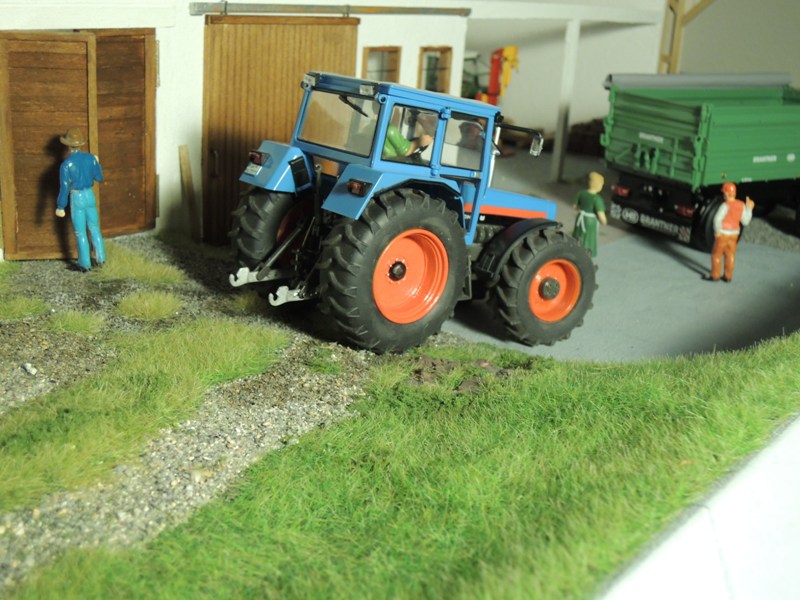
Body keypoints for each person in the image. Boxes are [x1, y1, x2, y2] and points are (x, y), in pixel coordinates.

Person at [55, 128, 106, 272]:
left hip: (77, 197)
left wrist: (60, 206)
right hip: (89, 195)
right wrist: (97, 163)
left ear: (68, 145)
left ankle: (85, 264)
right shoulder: (91, 158)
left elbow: (64, 188)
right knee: (95, 228)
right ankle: (101, 258)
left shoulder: (66, 165)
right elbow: (100, 178)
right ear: (81, 144)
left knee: (80, 232)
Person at [706, 182, 754, 283]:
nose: (723, 194)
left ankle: (715, 275)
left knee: (716, 254)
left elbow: (717, 219)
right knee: (730, 255)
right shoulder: (741, 205)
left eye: (724, 192)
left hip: (723, 233)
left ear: (727, 193)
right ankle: (728, 276)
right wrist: (749, 209)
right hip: (734, 234)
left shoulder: (725, 205)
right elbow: (745, 221)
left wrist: (717, 231)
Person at [571, 171, 607, 257]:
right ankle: (586, 255)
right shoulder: (597, 199)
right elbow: (601, 214)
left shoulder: (581, 193)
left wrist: (582, 210)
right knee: (588, 239)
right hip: (590, 221)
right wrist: (604, 222)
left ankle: (574, 251)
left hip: (580, 217)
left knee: (578, 235)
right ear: (598, 185)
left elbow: (574, 206)